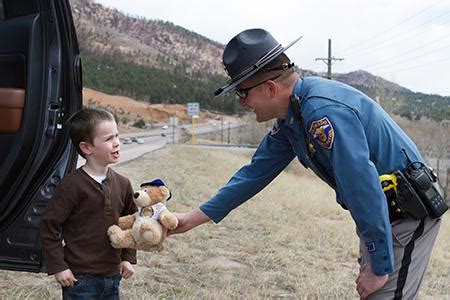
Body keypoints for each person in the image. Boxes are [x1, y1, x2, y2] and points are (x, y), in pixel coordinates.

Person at [169, 28, 443, 299]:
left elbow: (362, 186)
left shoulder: (322, 113)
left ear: (270, 88)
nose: (242, 103)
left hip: (406, 212)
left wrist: (380, 264)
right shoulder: (293, 118)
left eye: (242, 93)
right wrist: (192, 219)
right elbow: (253, 175)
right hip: (382, 217)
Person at [40, 108, 137, 299]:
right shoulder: (71, 185)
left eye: (117, 136)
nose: (117, 143)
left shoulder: (123, 183)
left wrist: (127, 258)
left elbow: (130, 223)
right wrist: (59, 266)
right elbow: (49, 226)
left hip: (113, 275)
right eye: (109, 139)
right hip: (80, 279)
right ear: (86, 148)